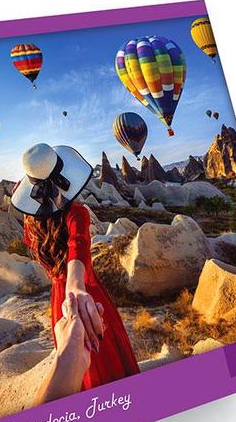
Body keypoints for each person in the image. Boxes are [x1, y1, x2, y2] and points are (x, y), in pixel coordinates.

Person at [11, 143, 140, 392]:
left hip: (60, 301)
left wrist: (69, 288)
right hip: (86, 296)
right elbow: (78, 245)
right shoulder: (77, 213)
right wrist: (76, 286)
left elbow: (69, 249)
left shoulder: (31, 224)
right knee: (107, 360)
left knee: (80, 368)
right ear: (63, 176)